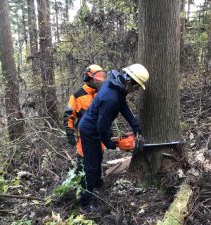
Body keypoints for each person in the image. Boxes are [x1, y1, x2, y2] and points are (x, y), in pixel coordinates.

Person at [78, 63, 149, 211]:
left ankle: (97, 183)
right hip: (90, 129)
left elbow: (123, 106)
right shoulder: (110, 98)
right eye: (135, 87)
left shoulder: (116, 85)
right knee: (91, 165)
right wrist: (109, 143)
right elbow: (101, 127)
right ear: (129, 81)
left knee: (97, 157)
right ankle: (86, 203)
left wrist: (135, 126)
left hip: (96, 125)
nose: (135, 90)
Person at [63, 64, 107, 176]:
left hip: (99, 133)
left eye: (99, 79)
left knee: (98, 158)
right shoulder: (77, 96)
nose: (98, 82)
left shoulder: (102, 92)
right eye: (96, 79)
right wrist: (69, 133)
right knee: (83, 160)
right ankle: (83, 184)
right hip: (83, 134)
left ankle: (97, 181)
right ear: (87, 78)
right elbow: (68, 115)